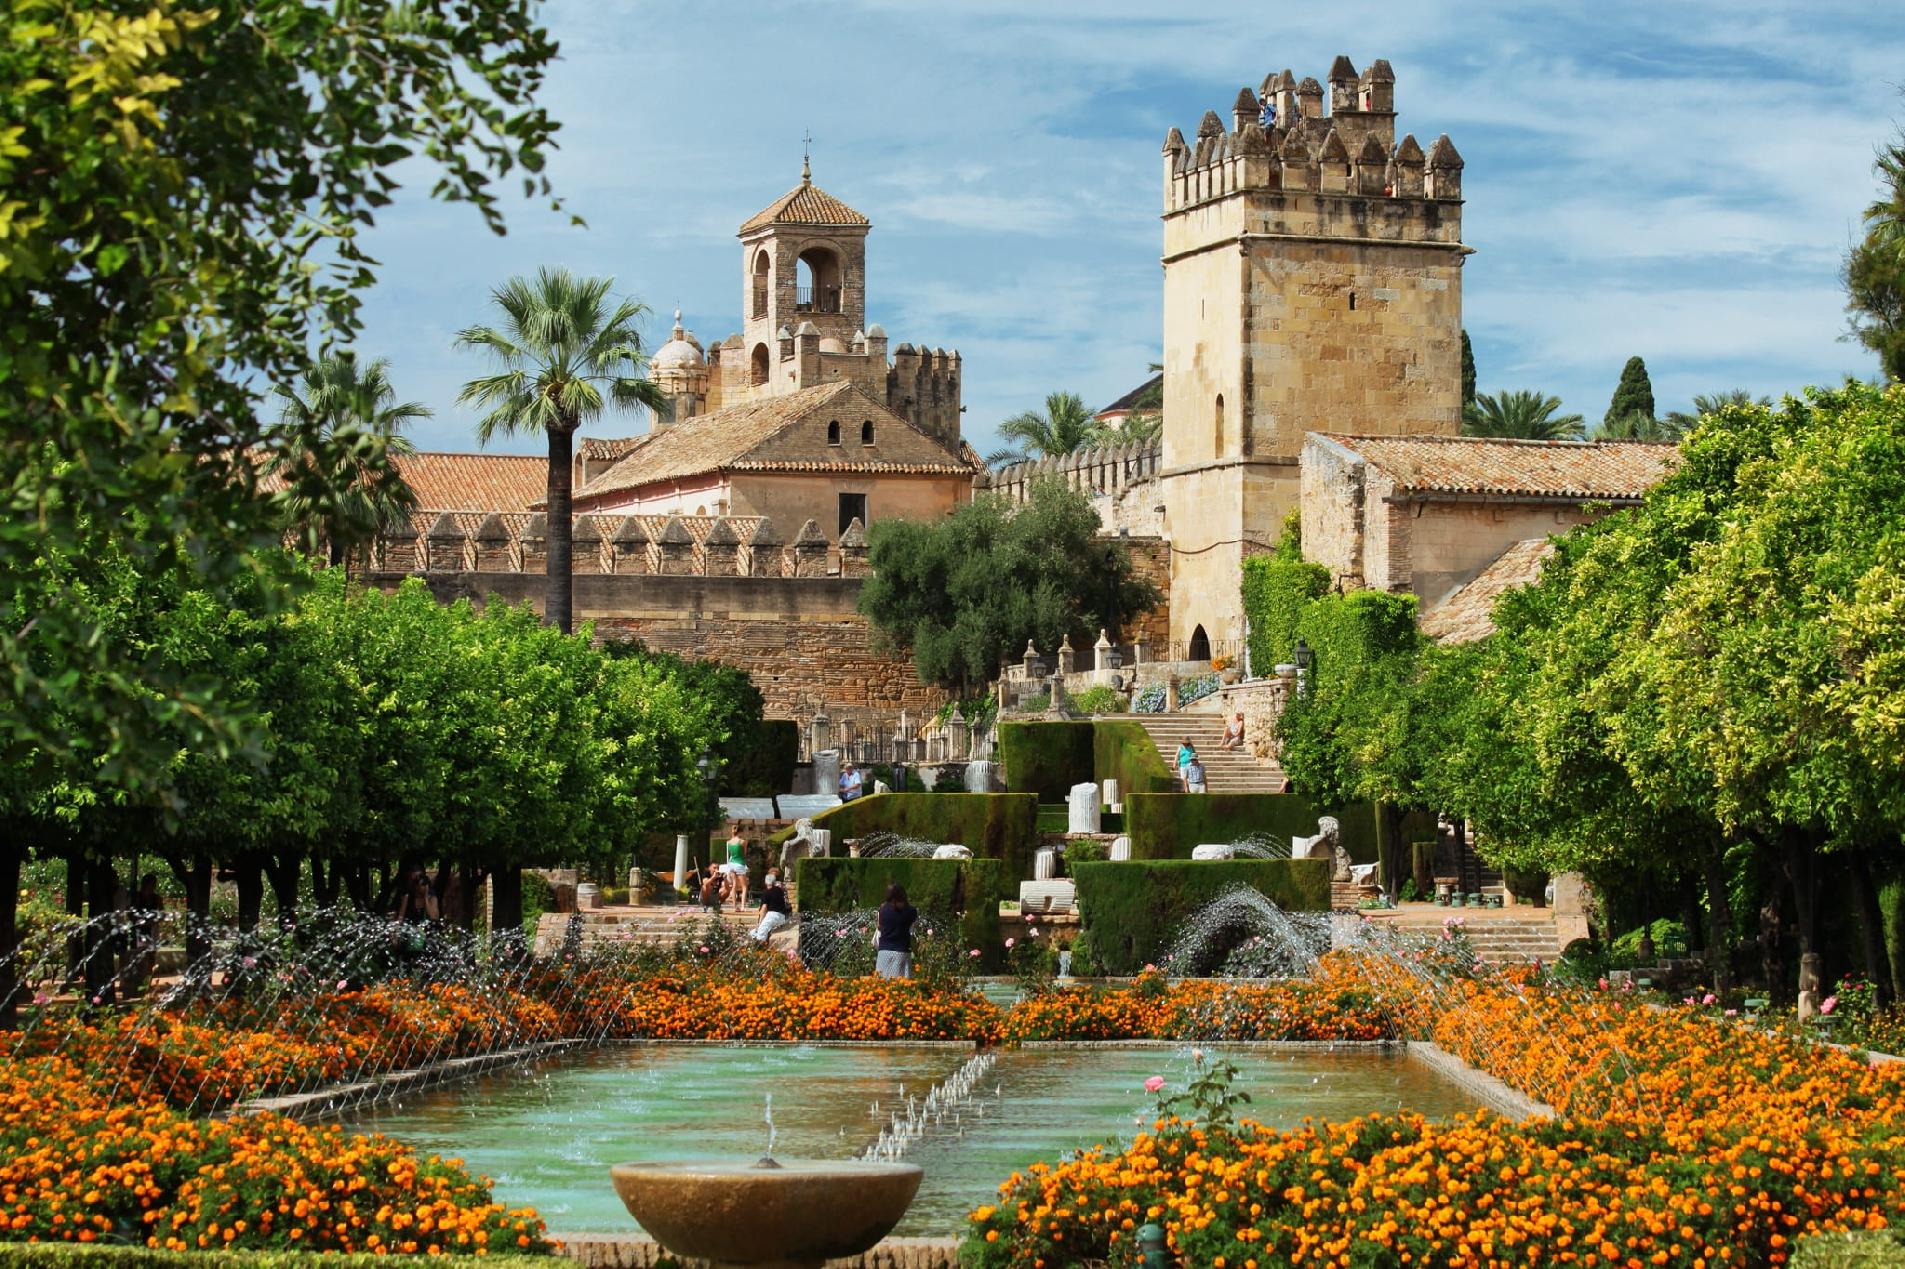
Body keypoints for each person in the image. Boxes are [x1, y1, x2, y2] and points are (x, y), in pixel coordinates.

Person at [874, 882, 918, 978]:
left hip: (884, 952)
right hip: (901, 951)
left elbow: (879, 927)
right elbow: (912, 930)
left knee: (882, 983)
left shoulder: (882, 910)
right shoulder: (911, 911)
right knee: (901, 984)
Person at [752, 870, 790, 943]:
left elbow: (764, 909)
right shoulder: (780, 890)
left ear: (765, 882)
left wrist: (759, 923)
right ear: (774, 882)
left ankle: (759, 947)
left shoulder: (766, 892)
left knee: (761, 932)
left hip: (772, 915)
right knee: (754, 932)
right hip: (782, 917)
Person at [722, 834, 750, 907]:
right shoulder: (743, 842)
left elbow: (731, 854)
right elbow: (744, 854)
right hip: (739, 864)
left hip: (732, 864)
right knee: (744, 886)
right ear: (741, 832)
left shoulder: (729, 842)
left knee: (734, 885)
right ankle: (742, 906)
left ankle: (735, 906)